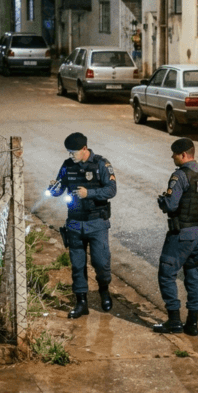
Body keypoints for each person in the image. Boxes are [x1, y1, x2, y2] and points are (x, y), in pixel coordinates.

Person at [50, 133, 117, 318]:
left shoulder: (101, 164)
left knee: (101, 262)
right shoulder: (67, 165)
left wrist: (90, 193)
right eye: (69, 152)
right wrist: (53, 189)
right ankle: (81, 302)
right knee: (77, 265)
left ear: (84, 149)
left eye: (74, 152)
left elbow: (112, 190)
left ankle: (104, 291)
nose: (71, 155)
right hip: (74, 223)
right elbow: (59, 187)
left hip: (96, 222)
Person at [152, 138, 198, 336]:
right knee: (193, 275)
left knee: (166, 272)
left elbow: (171, 205)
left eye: (174, 154)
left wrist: (162, 201)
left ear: (183, 155)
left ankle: (174, 321)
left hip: (182, 233)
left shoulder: (180, 176)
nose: (172, 157)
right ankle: (192, 324)